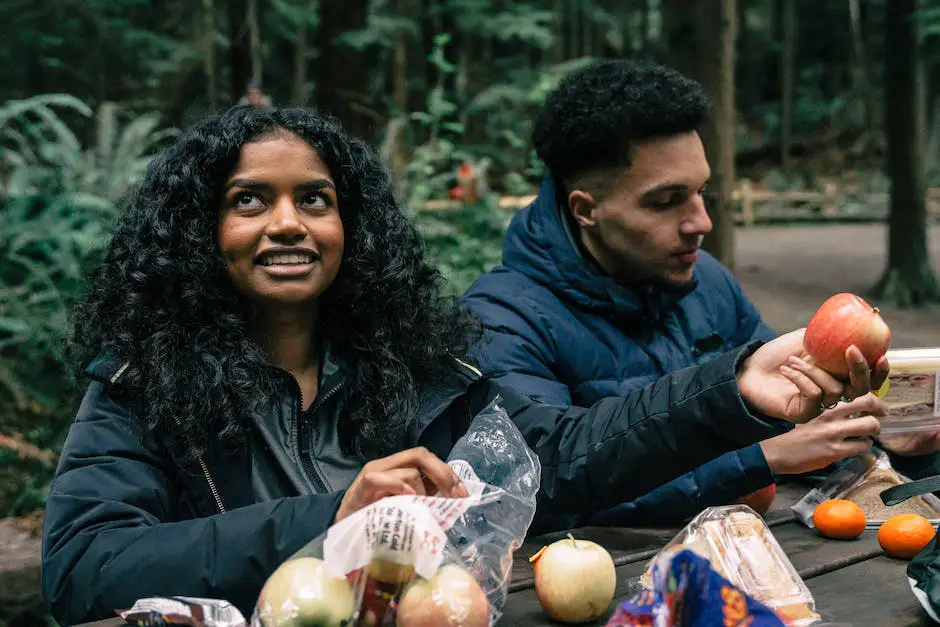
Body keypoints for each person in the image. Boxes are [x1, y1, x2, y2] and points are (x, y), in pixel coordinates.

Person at [41, 104, 885, 625]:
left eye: (316, 199)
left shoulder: (411, 362)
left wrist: (731, 387)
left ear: (353, 226)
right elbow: (84, 569)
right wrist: (335, 515)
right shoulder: (141, 382)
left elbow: (555, 455)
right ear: (199, 229)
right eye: (249, 199)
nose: (289, 222)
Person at [461, 59, 920, 526]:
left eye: (702, 192)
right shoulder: (498, 321)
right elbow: (535, 486)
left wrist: (889, 433)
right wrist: (758, 458)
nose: (702, 223)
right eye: (665, 202)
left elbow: (799, 411)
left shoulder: (708, 281)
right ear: (586, 210)